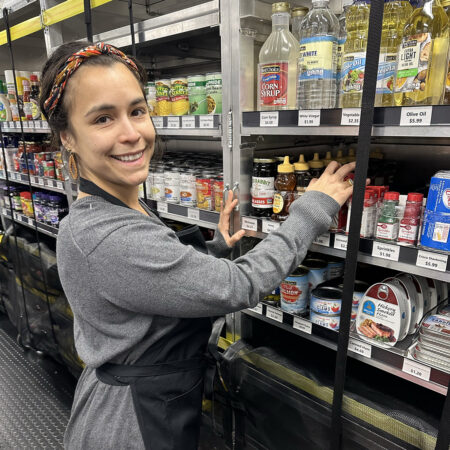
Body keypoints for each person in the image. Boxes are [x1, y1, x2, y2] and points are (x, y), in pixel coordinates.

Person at [39, 41, 355, 450]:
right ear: (68, 136)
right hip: (131, 425)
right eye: (103, 118)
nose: (132, 133)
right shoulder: (106, 235)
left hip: (147, 401)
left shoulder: (108, 207)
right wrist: (312, 209)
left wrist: (215, 248)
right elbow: (238, 287)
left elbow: (145, 289)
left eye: (137, 111)